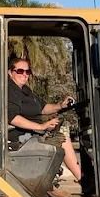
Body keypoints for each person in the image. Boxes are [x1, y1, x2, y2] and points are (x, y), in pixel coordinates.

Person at [6, 54, 83, 185]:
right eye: (20, 71)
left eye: (27, 72)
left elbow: (43, 108)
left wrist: (61, 105)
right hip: (19, 136)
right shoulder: (10, 89)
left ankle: (71, 179)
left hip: (33, 134)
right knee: (62, 138)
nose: (24, 74)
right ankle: (82, 179)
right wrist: (42, 126)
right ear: (10, 72)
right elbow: (12, 118)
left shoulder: (25, 90)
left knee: (61, 132)